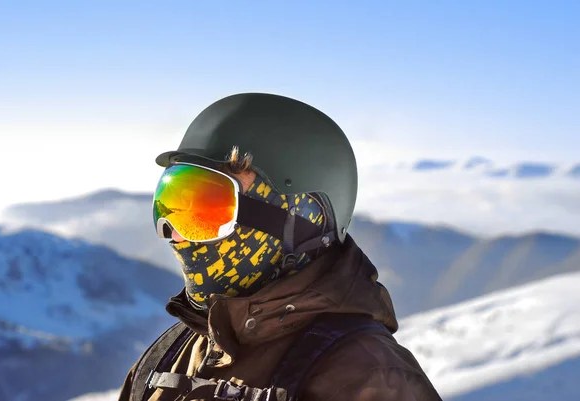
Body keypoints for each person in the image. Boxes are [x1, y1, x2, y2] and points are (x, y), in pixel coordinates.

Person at [118, 93, 443, 401]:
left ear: (300, 220)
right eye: (171, 204)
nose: (174, 234)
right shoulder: (167, 356)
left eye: (209, 207)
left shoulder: (367, 379)